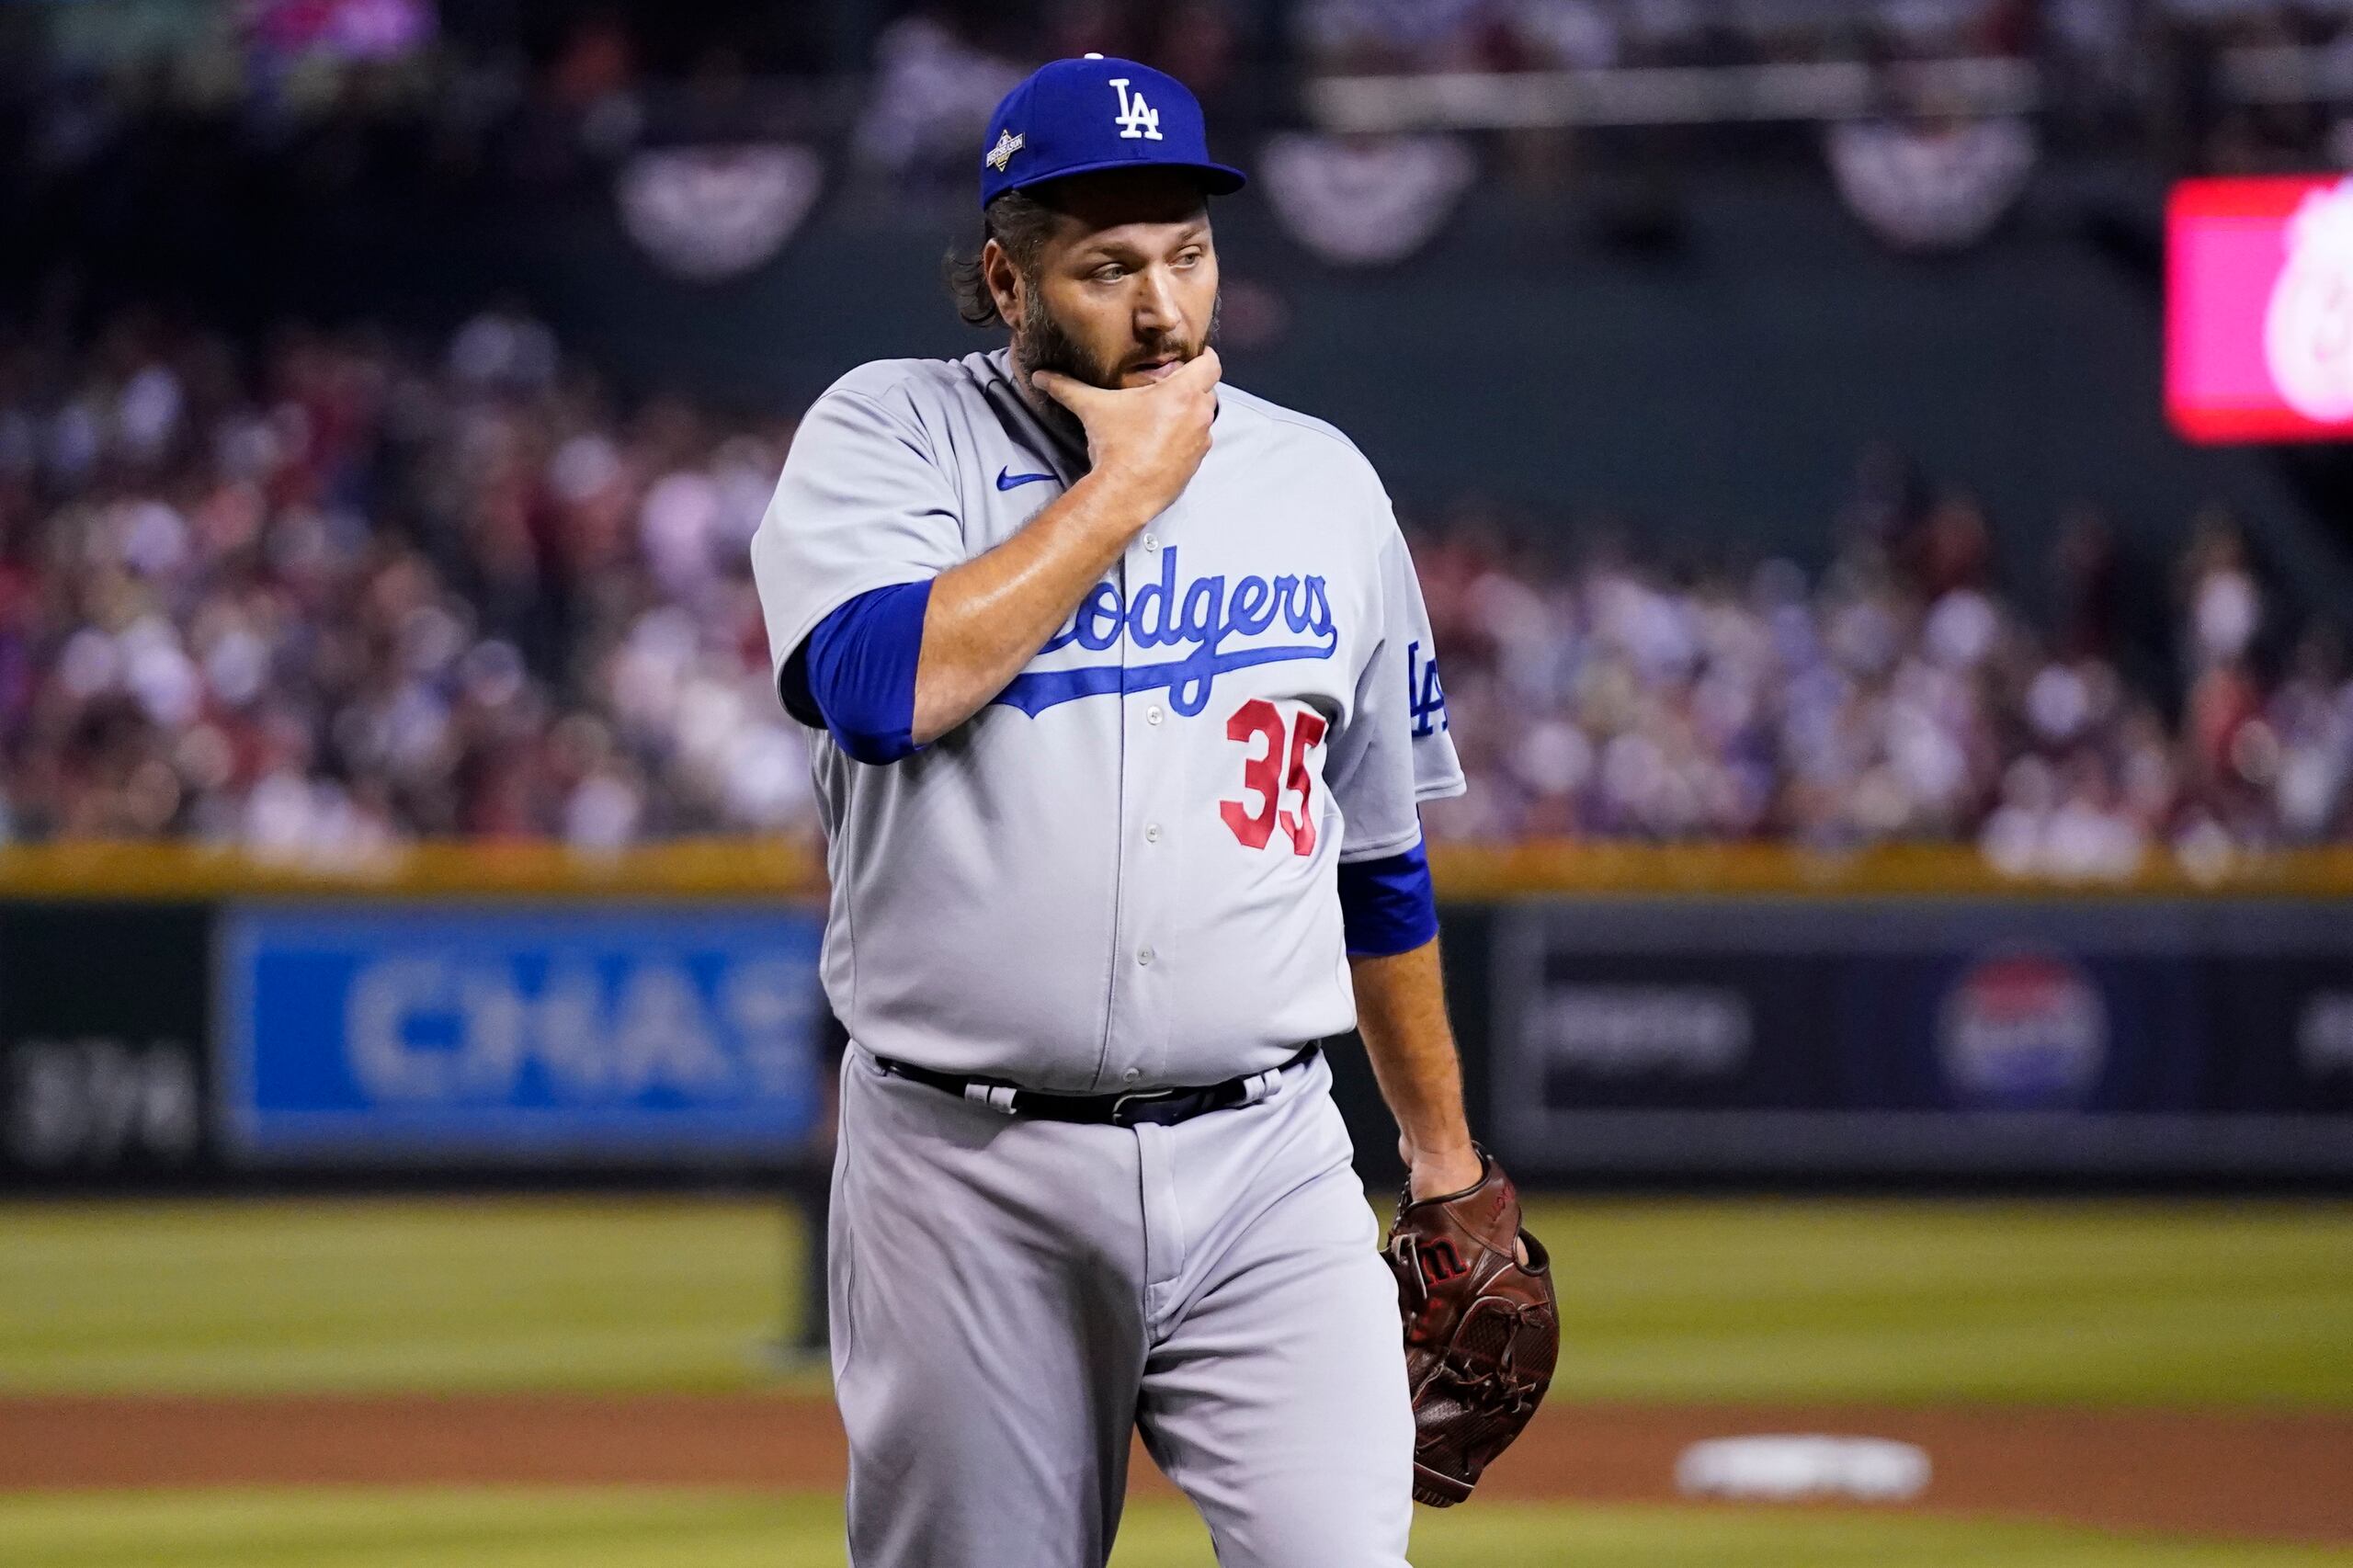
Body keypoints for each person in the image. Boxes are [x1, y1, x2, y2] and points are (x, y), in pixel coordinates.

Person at [751, 53, 1480, 1568]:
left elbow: (1380, 862)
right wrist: (1126, 492)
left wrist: (1449, 1162)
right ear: (1007, 281)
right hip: (967, 1174)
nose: (1162, 309)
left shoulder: (1321, 485)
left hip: (1269, 1159)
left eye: (1188, 255)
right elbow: (880, 684)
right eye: (1108, 266)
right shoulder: (891, 436)